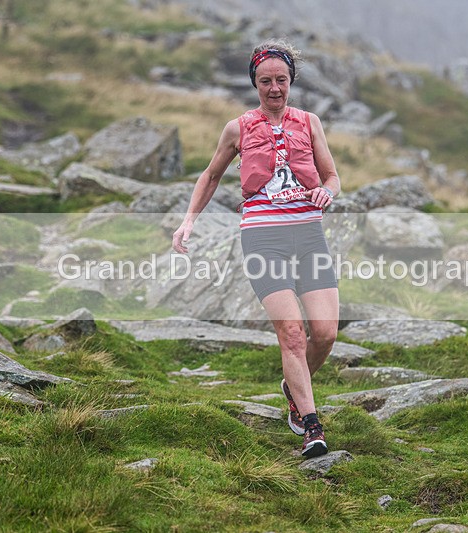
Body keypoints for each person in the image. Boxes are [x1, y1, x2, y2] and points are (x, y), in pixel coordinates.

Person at [172, 40, 340, 458]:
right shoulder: (237, 128)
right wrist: (189, 220)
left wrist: (327, 194)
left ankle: (291, 385)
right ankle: (311, 427)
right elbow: (210, 176)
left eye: (281, 80)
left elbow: (332, 176)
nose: (274, 88)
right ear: (254, 83)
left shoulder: (310, 122)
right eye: (265, 81)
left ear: (291, 81)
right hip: (262, 238)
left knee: (325, 333)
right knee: (292, 334)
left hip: (309, 236)